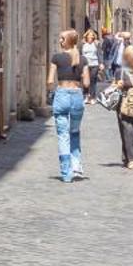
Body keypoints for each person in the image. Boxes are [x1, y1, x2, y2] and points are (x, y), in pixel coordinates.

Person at [48, 27, 90, 182]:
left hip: (62, 94)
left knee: (63, 135)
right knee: (74, 132)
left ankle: (66, 173)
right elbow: (86, 83)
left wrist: (52, 91)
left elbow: (50, 80)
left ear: (68, 42)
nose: (60, 41)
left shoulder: (56, 58)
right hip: (77, 95)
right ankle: (76, 167)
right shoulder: (83, 59)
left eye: (62, 39)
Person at [81, 28, 102, 97]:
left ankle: (92, 96)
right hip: (86, 65)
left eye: (92, 35)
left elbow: (99, 54)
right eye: (89, 35)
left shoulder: (96, 44)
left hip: (94, 64)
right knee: (85, 80)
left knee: (93, 79)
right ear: (86, 36)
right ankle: (86, 95)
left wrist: (101, 63)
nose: (90, 37)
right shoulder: (83, 44)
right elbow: (81, 54)